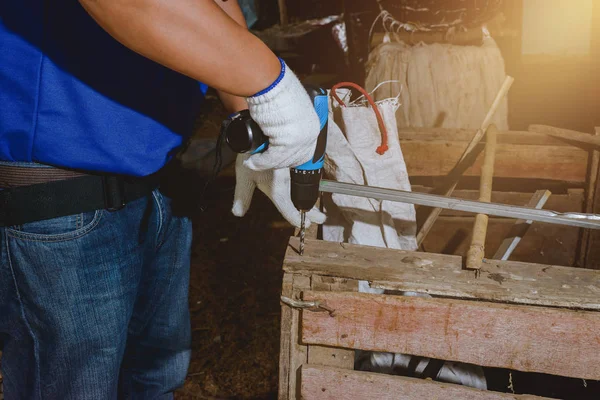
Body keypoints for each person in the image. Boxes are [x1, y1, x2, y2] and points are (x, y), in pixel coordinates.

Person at [0, 0, 325, 398]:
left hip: (157, 182)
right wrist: (272, 87)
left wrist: (251, 118)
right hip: (64, 195)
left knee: (153, 379)